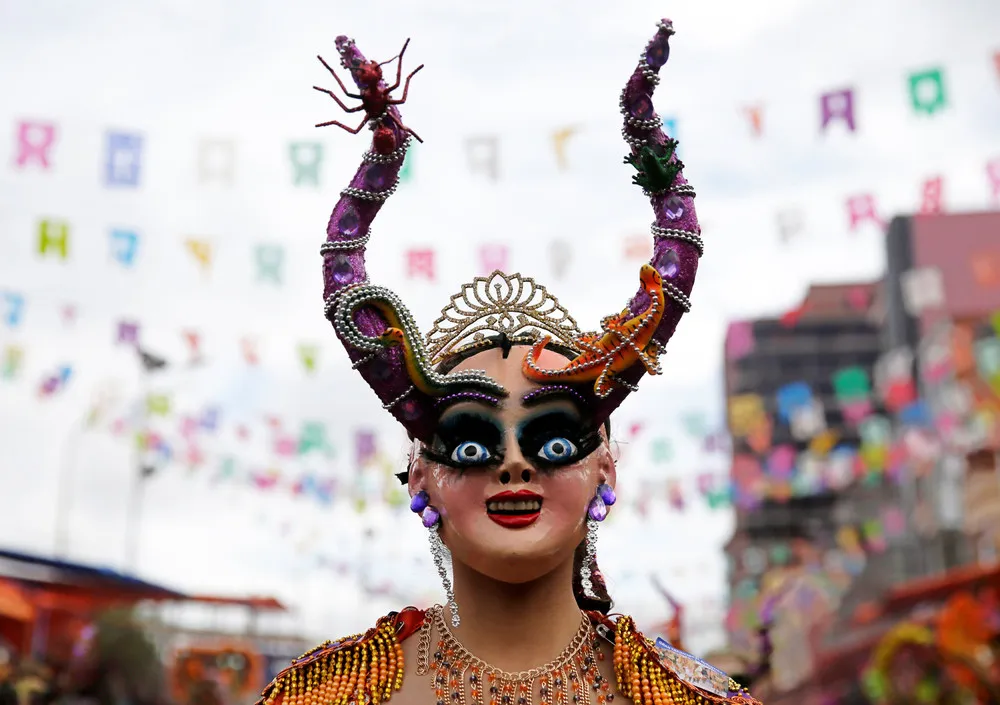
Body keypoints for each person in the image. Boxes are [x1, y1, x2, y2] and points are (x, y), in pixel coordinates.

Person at [257, 18, 762, 705]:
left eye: (555, 438)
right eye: (469, 440)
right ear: (420, 478)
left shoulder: (693, 698)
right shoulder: (325, 694)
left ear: (605, 470)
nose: (514, 463)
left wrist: (649, 132)